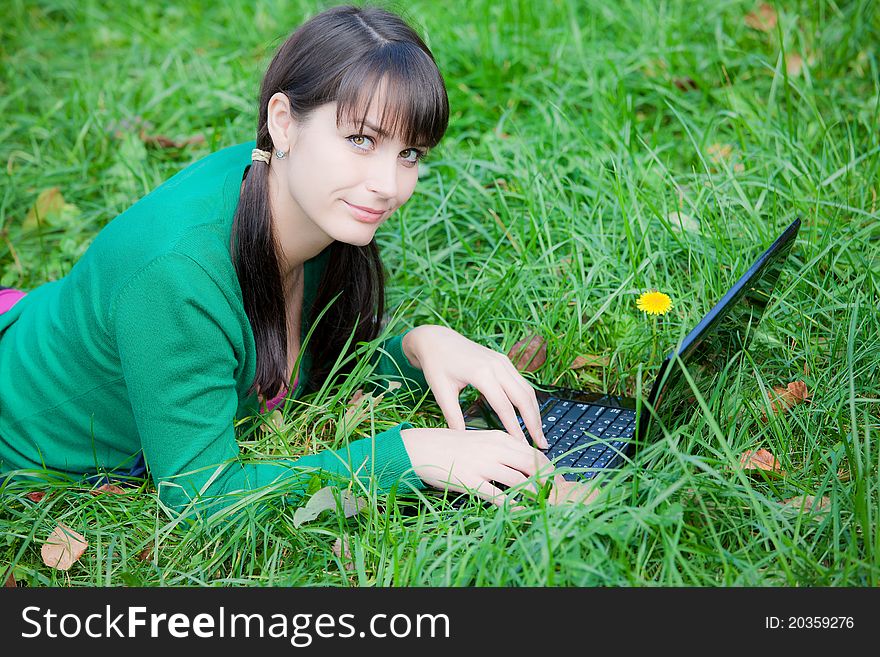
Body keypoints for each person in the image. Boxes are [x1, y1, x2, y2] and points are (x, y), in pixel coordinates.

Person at [0, 5, 595, 518]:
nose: (388, 184)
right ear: (284, 123)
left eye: (409, 153)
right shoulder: (178, 278)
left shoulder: (301, 199)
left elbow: (315, 359)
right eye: (360, 140)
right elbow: (202, 500)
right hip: (25, 422)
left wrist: (419, 346)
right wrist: (411, 456)